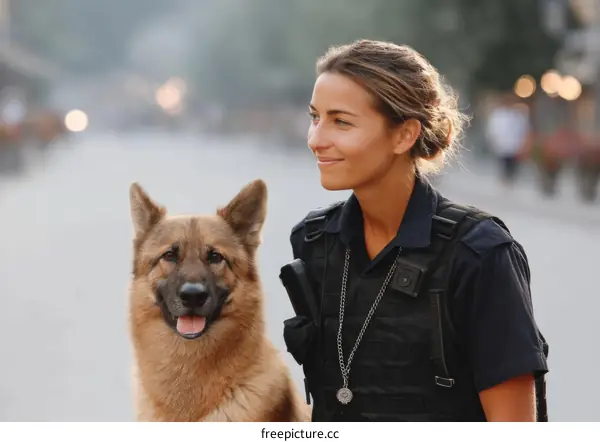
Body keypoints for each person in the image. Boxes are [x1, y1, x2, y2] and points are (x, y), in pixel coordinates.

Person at [281, 40, 548, 422]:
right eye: (315, 117)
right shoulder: (313, 241)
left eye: (341, 121)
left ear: (404, 135)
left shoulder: (480, 253)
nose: (316, 139)